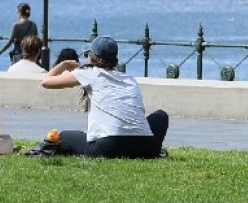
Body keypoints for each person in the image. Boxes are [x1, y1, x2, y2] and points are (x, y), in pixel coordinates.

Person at [40, 36, 169, 159]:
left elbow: (46, 82)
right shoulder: (130, 79)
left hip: (108, 147)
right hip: (146, 147)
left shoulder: (89, 74)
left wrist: (63, 65)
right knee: (161, 115)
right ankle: (155, 150)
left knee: (64, 136)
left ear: (92, 56)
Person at [0, 2, 38, 66]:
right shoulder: (33, 25)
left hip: (18, 55)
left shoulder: (16, 25)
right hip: (30, 56)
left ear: (20, 13)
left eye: (17, 12)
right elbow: (36, 41)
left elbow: (9, 42)